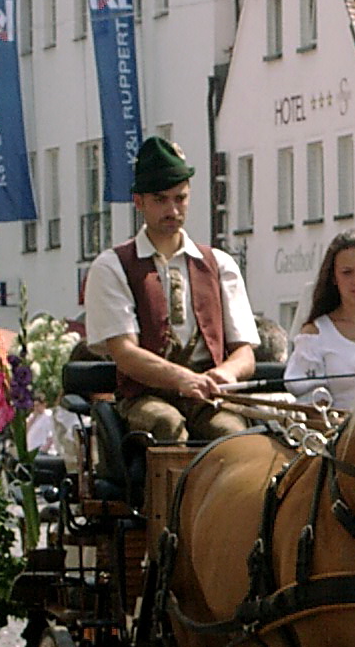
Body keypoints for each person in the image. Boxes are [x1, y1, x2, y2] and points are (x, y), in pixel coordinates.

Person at [82, 136, 261, 443]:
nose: (173, 210)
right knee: (167, 426)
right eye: (161, 200)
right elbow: (124, 352)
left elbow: (244, 352)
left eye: (180, 199)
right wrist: (182, 379)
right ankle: (165, 493)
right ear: (139, 202)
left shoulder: (219, 265)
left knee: (233, 435)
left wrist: (226, 373)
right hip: (145, 397)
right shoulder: (112, 266)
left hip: (207, 397)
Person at [285, 230, 355, 413]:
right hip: (339, 435)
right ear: (334, 278)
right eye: (347, 273)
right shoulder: (315, 334)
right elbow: (308, 399)